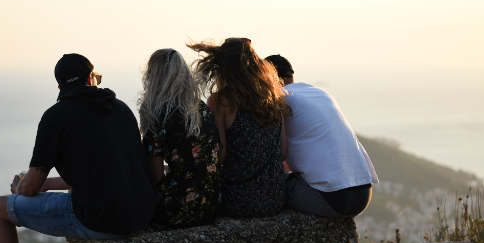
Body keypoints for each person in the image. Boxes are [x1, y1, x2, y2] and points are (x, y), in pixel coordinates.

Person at [0, 53, 158, 243]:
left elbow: (30, 187)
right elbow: (100, 173)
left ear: (60, 87)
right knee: (75, 193)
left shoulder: (56, 116)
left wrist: (20, 186)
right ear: (92, 78)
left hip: (105, 220)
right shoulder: (121, 109)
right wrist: (46, 184)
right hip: (142, 213)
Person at [264, 54, 377, 218]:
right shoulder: (319, 92)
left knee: (267, 183)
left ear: (267, 77)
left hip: (333, 200)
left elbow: (277, 155)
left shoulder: (278, 99)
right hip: (364, 195)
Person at [188, 38, 291, 218]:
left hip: (236, 201)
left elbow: (220, 155)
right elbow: (283, 152)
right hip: (274, 198)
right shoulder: (273, 95)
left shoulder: (221, 101)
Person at [139, 48, 222, 227]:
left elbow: (157, 177)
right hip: (210, 204)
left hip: (177, 207)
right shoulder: (202, 108)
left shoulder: (157, 113)